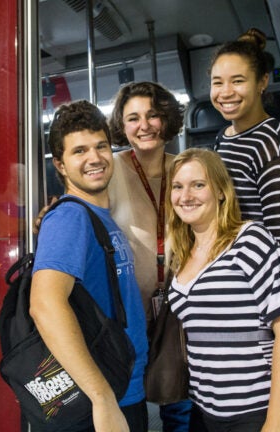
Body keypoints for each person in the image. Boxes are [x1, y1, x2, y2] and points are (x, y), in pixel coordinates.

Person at [30, 100, 148, 432]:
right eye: (79, 151)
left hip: (123, 390)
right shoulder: (70, 217)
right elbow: (44, 304)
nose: (94, 158)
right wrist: (102, 398)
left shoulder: (101, 217)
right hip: (102, 403)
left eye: (100, 147)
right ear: (61, 165)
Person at [165, 148, 280, 432]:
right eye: (178, 187)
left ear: (221, 191)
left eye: (198, 185)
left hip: (257, 409)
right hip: (205, 409)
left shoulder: (250, 240)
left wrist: (277, 421)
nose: (185, 196)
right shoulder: (181, 254)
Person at [107, 81, 192, 430]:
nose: (144, 125)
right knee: (130, 404)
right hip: (129, 315)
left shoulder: (187, 169)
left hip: (180, 311)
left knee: (180, 403)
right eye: (133, 118)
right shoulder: (109, 170)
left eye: (153, 115)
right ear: (122, 126)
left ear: (167, 119)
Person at [208, 28, 280, 276]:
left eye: (238, 81)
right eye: (217, 82)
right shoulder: (223, 137)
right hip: (239, 268)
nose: (225, 92)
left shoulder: (269, 142)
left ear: (262, 82)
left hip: (265, 281)